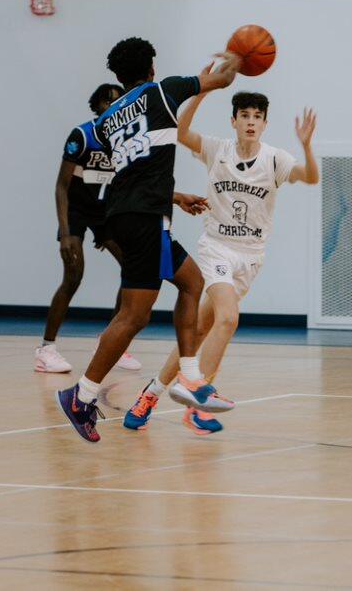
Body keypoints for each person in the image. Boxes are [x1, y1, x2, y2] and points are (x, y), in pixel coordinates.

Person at [56, 38, 240, 442]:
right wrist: (237, 55)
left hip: (130, 214)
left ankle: (189, 377)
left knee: (191, 282)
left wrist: (175, 196)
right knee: (133, 317)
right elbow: (223, 79)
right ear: (152, 68)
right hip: (144, 220)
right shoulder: (163, 90)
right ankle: (81, 396)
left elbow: (135, 169)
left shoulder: (107, 120)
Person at [123, 81, 318, 435]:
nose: (250, 121)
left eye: (257, 116)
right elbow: (182, 133)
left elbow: (311, 177)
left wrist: (306, 146)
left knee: (199, 332)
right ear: (233, 121)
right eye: (244, 115)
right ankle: (199, 400)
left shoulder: (275, 159)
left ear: (265, 123)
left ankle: (150, 394)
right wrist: (201, 93)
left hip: (250, 257)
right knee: (228, 318)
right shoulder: (218, 149)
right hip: (217, 248)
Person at [35, 83, 144, 373]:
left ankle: (109, 340)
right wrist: (65, 233)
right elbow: (61, 186)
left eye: (120, 101)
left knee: (132, 268)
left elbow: (120, 183)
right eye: (110, 101)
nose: (115, 106)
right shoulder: (82, 136)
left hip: (105, 212)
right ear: (98, 106)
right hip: (76, 211)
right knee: (74, 275)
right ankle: (46, 349)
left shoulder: (123, 139)